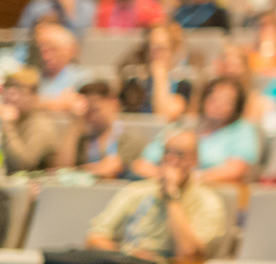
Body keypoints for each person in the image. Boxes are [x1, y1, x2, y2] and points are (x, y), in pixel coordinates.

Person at [84, 130, 227, 263]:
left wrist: (171, 196)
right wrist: (128, 256)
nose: (170, 159)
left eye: (180, 154)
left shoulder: (208, 202)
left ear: (194, 160)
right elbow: (94, 238)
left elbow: (190, 253)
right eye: (167, 152)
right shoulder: (136, 191)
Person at [132, 77, 260, 184]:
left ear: (237, 106)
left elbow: (235, 171)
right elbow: (141, 164)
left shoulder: (243, 130)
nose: (219, 104)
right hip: (165, 187)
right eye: (214, 98)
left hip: (214, 193)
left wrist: (191, 180)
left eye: (227, 101)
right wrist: (168, 178)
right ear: (204, 99)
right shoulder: (181, 127)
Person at [54, 81, 145, 179]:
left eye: (95, 110)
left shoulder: (128, 138)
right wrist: (75, 126)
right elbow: (60, 169)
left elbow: (108, 170)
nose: (91, 117)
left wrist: (76, 170)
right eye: (86, 112)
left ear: (113, 103)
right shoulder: (83, 139)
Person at [0, 67, 61, 172]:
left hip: (38, 181)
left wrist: (8, 126)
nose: (11, 98)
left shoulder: (40, 125)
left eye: (18, 93)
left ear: (34, 97)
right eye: (7, 92)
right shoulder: (15, 121)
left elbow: (22, 165)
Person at [33, 21, 93, 111]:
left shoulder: (82, 77)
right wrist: (60, 103)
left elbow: (79, 106)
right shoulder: (34, 76)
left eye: (53, 49)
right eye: (43, 50)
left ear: (70, 50)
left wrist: (36, 102)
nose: (46, 57)